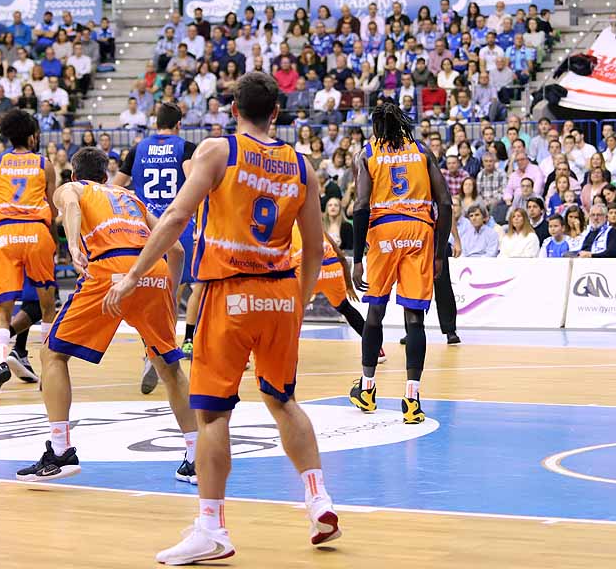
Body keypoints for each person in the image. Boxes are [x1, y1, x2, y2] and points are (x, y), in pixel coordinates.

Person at [104, 72, 341, 562]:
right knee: (283, 400)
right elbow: (315, 249)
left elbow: (174, 219)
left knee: (213, 415)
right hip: (279, 295)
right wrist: (295, 303)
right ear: (276, 112)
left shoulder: (218, 151)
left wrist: (131, 277)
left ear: (234, 110)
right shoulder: (303, 166)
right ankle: (318, 498)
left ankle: (211, 528)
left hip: (227, 294)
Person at [20, 148, 199, 486]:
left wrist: (72, 245)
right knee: (169, 368)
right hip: (154, 269)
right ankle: (195, 456)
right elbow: (175, 249)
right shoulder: (130, 197)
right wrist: (166, 292)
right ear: (106, 175)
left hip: (110, 268)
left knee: (52, 353)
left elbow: (71, 206)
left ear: (75, 175)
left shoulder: (74, 189)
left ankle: (60, 452)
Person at [349, 98, 451, 424]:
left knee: (375, 312)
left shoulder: (367, 154)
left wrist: (357, 259)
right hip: (419, 231)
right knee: (415, 321)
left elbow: (362, 206)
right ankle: (411, 401)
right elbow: (446, 204)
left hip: (383, 233)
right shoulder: (422, 152)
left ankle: (367, 390)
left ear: (377, 126)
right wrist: (438, 252)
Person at [112, 101, 200, 394]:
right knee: (172, 294)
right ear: (178, 124)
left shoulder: (137, 149)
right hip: (178, 227)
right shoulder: (184, 147)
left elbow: (116, 187)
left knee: (150, 292)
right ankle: (160, 351)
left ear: (155, 122)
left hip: (145, 227)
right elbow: (193, 179)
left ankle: (150, 349)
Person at [0, 109, 57, 398]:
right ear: (31, 135)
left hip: (6, 235)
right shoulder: (44, 164)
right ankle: (49, 369)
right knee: (48, 306)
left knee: (3, 310)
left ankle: (0, 360)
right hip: (36, 232)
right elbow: (54, 207)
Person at [291, 224, 382, 362]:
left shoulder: (284, 228)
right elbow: (341, 256)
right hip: (332, 269)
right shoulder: (317, 227)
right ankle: (377, 349)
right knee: (345, 308)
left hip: (308, 269)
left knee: (290, 311)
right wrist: (349, 285)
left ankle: (286, 352)